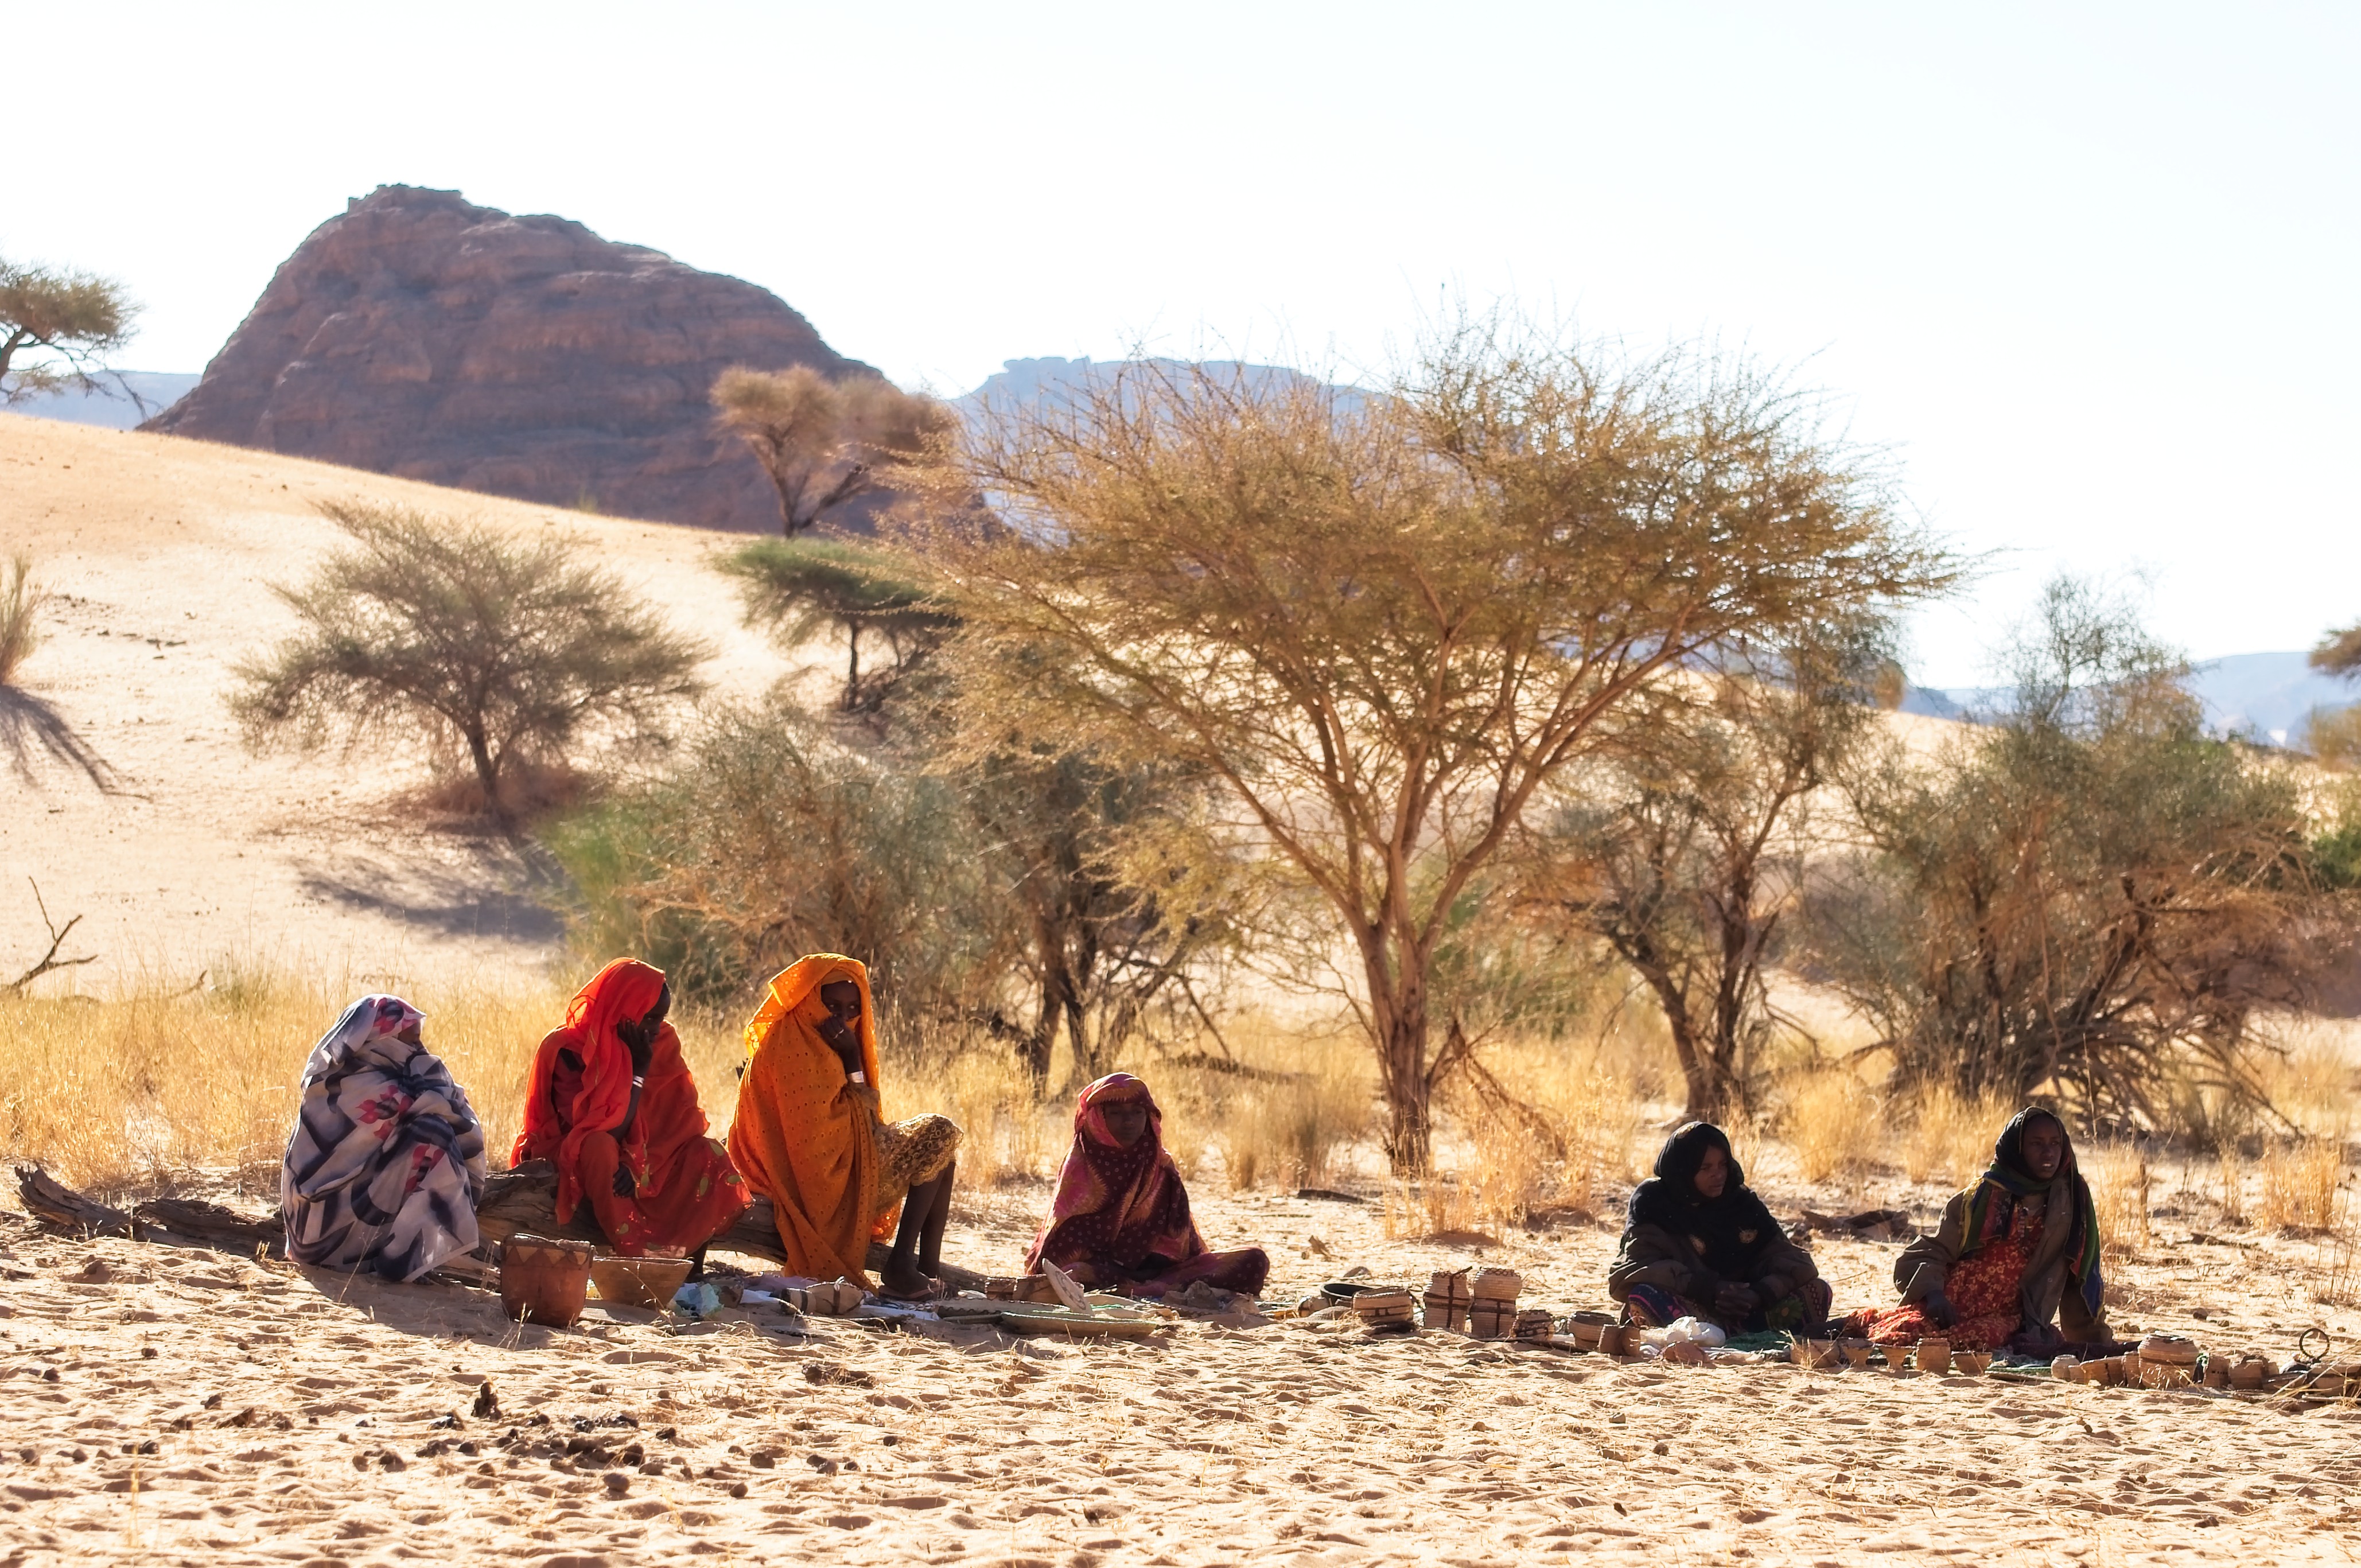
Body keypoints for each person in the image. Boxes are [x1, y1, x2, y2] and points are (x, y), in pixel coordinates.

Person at [728, 955, 959, 1298]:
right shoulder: (793, 1046)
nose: (843, 1018)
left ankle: (925, 1271)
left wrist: (850, 1057)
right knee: (938, 1133)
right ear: (810, 999)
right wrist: (852, 1057)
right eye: (832, 1005)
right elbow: (822, 1144)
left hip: (841, 1160)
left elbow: (860, 1121)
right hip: (818, 1180)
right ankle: (900, 1268)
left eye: (853, 1009)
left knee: (942, 1148)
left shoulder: (819, 1039)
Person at [512, 958, 748, 1262]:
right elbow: (594, 1129)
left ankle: (687, 1265)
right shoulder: (568, 1050)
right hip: (582, 1151)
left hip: (643, 1158)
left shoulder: (662, 1041)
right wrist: (638, 1072)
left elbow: (679, 1123)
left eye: (660, 1019)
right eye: (647, 1018)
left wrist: (637, 1164)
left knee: (707, 1153)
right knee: (600, 1148)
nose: (654, 1029)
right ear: (621, 1007)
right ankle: (637, 1255)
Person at [1846, 1106, 2107, 1354]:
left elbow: (2080, 1273)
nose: (2048, 1153)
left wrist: (2096, 1342)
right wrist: (1934, 1294)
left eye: (2055, 1143)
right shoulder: (1981, 1195)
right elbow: (1931, 1250)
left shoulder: (2071, 1200)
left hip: (2013, 1313)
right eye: (2036, 1144)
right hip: (1955, 1299)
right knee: (1906, 1330)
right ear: (2017, 1149)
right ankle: (1843, 1326)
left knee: (1984, 1338)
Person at [282, 994, 487, 1282]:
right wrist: (438, 1084)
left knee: (428, 1134)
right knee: (433, 1136)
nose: (419, 1050)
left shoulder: (367, 1077)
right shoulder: (358, 1086)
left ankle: (397, 1257)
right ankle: (398, 1263)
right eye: (410, 1041)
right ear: (380, 1039)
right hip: (323, 1238)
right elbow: (452, 1114)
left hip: (324, 1232)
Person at [1024, 1072, 1269, 1299]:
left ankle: (1147, 1291)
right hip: (1097, 1274)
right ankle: (1146, 1291)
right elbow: (1056, 1255)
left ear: (1149, 1117)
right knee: (1072, 1274)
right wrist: (1100, 1270)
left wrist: (1140, 1274)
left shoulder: (1161, 1169)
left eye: (1137, 1113)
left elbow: (1180, 1247)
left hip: (1160, 1274)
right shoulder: (1080, 1169)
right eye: (1117, 1113)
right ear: (1098, 1118)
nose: (1129, 1122)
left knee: (1254, 1260)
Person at [1608, 1121, 1830, 1334]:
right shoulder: (1654, 1202)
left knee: (1818, 1291)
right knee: (1644, 1296)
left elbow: (1794, 1261)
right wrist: (1710, 1288)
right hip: (1692, 1308)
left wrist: (1758, 1294)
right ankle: (1713, 1334)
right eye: (1706, 1168)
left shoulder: (1740, 1201)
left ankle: (1733, 1333)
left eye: (1722, 1165)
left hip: (1751, 1310)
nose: (1719, 1174)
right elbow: (1635, 1269)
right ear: (1683, 1170)